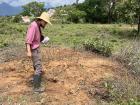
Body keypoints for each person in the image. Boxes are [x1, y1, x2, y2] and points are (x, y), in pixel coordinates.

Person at [25, 12, 52, 93]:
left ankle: (35, 82)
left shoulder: (37, 25)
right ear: (42, 20)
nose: (46, 24)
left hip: (35, 49)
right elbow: (28, 40)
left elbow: (37, 37)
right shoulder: (33, 26)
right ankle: (36, 88)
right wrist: (29, 51)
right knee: (38, 68)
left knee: (36, 67)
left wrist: (43, 39)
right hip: (34, 50)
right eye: (46, 22)